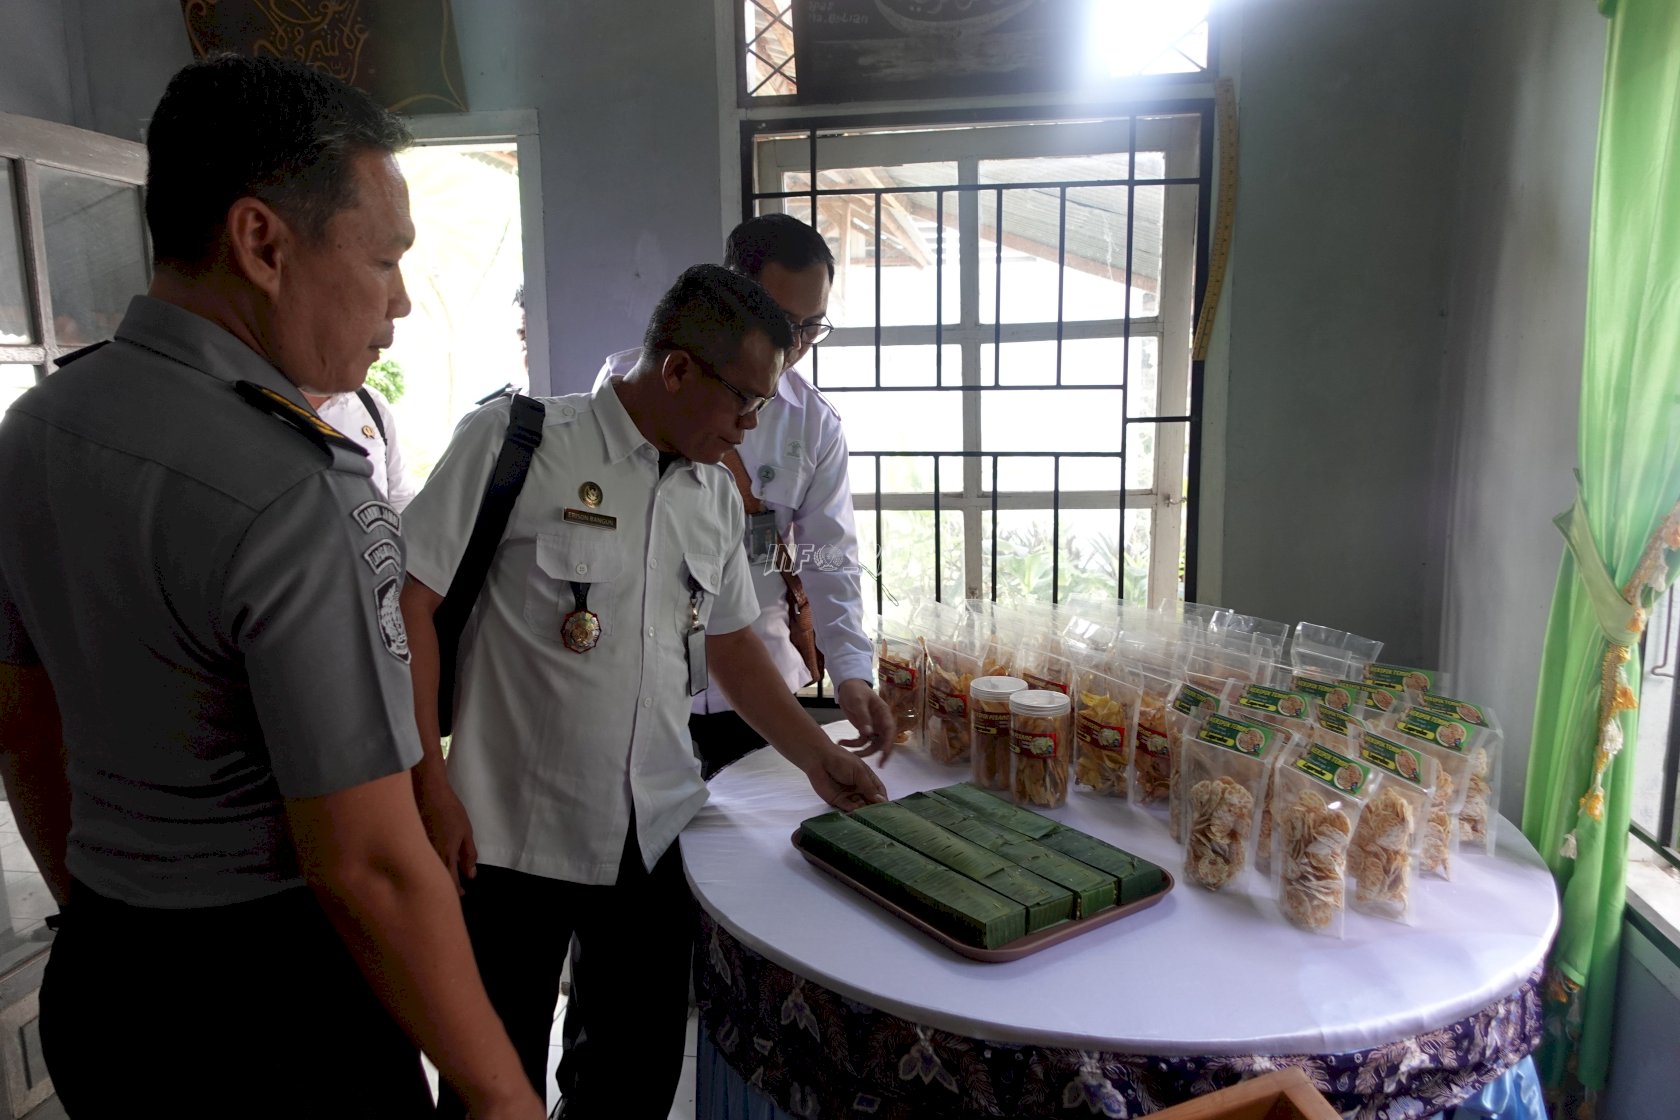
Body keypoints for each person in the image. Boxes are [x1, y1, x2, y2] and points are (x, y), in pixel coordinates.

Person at [0, 55, 540, 1120]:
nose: (399, 305)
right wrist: (500, 1092)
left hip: (105, 979)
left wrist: (126, 923)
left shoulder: (33, 432)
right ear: (261, 242)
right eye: (385, 261)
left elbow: (24, 731)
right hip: (274, 1019)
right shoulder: (290, 487)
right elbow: (370, 863)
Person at [400, 263, 890, 1120]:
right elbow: (412, 606)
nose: (748, 430)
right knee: (491, 1085)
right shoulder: (519, 442)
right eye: (743, 402)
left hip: (652, 836)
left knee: (632, 1077)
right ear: (676, 371)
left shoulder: (711, 495)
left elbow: (735, 647)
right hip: (510, 836)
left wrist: (817, 758)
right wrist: (425, 782)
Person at [597, 214, 888, 778]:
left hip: (759, 697)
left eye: (813, 327)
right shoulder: (636, 387)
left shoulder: (815, 425)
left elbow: (831, 557)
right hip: (644, 684)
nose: (798, 345)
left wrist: (852, 671)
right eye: (785, 322)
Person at [305, 380, 418, 508]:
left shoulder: (371, 401)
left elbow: (401, 495)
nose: (375, 358)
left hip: (377, 524)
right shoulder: (280, 404)